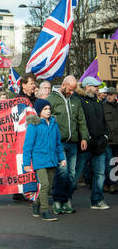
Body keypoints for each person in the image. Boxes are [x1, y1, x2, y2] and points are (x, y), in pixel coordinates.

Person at [47, 75, 89, 214]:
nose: (72, 92)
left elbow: (81, 120)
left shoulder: (76, 101)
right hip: (59, 143)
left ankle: (66, 199)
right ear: (64, 85)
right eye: (70, 90)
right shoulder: (51, 99)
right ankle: (57, 200)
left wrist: (84, 137)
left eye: (74, 90)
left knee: (72, 174)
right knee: (62, 172)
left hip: (73, 143)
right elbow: (45, 120)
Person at [23, 99, 66, 222]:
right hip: (39, 160)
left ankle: (36, 204)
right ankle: (45, 210)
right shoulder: (34, 125)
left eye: (49, 109)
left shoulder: (54, 123)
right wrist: (27, 163)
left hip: (52, 159)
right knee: (45, 184)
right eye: (45, 109)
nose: (48, 111)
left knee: (48, 186)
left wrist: (62, 158)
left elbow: (58, 143)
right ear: (39, 111)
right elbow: (28, 145)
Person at [74, 76, 110, 210]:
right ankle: (65, 199)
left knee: (100, 173)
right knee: (76, 174)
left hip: (99, 143)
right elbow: (78, 122)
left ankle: (97, 200)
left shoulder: (97, 101)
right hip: (85, 144)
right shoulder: (78, 100)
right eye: (95, 87)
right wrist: (83, 138)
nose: (97, 89)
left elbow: (103, 121)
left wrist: (106, 135)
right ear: (87, 86)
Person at [12, 72, 37, 202]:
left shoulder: (36, 100)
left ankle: (30, 190)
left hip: (34, 138)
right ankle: (22, 190)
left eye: (34, 83)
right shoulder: (17, 101)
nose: (34, 86)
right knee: (22, 164)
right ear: (23, 85)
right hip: (21, 139)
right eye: (31, 83)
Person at [102, 87, 118, 194]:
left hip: (117, 139)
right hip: (108, 140)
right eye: (108, 94)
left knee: (115, 162)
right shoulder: (103, 107)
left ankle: (111, 183)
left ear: (115, 95)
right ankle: (111, 184)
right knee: (109, 162)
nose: (109, 96)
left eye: (111, 94)